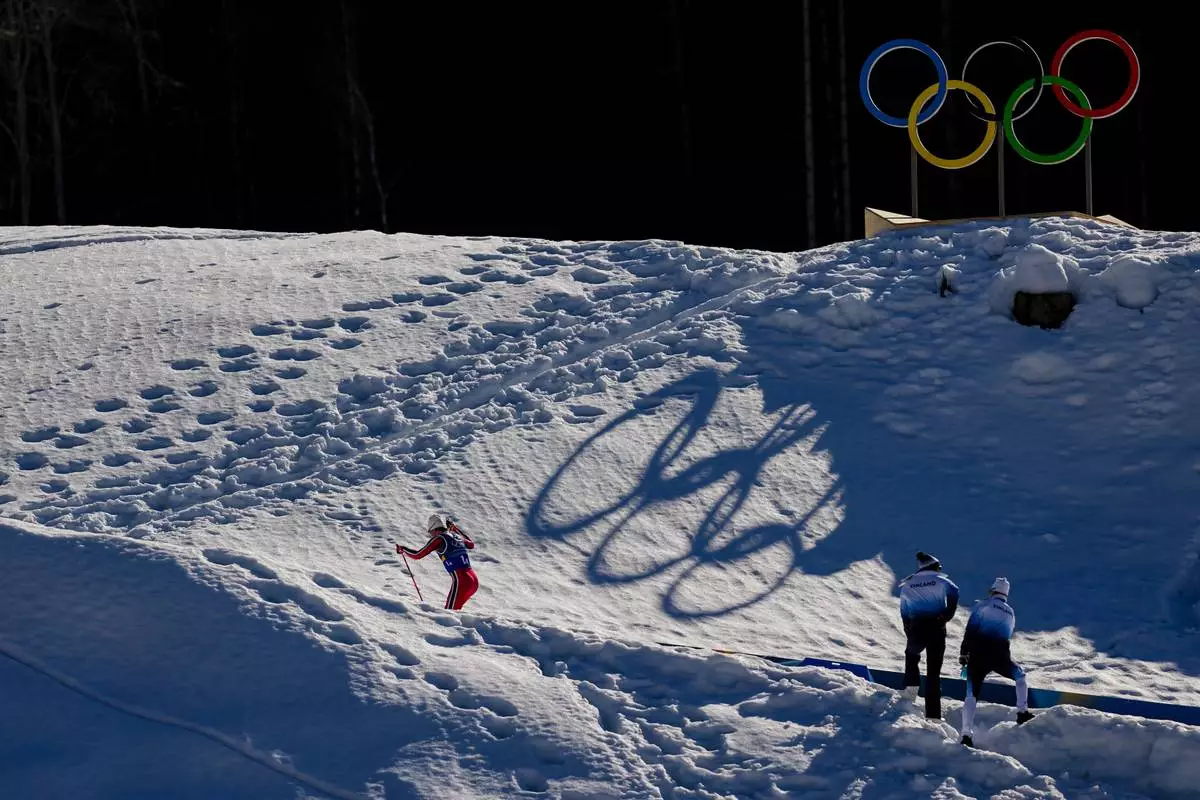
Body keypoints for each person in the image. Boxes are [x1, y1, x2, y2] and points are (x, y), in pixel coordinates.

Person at [957, 577, 1033, 747]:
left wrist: (964, 654)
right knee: (1020, 675)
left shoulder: (983, 605)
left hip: (978, 656)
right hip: (1000, 656)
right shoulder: (1010, 612)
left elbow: (970, 631)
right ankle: (1022, 711)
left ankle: (966, 735)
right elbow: (1006, 638)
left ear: (992, 591)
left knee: (971, 695)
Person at [898, 551, 959, 719]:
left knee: (911, 655)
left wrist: (908, 630)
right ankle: (933, 715)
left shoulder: (908, 584)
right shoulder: (940, 580)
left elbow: (903, 610)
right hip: (937, 627)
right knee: (933, 672)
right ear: (934, 566)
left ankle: (910, 690)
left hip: (917, 627)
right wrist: (946, 616)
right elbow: (955, 592)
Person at [397, 514, 478, 610]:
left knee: (450, 615)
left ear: (434, 529)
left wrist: (403, 550)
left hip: (461, 581)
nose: (431, 535)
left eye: (430, 532)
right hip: (474, 581)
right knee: (454, 613)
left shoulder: (439, 538)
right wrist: (454, 528)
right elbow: (471, 544)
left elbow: (417, 555)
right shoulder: (456, 536)